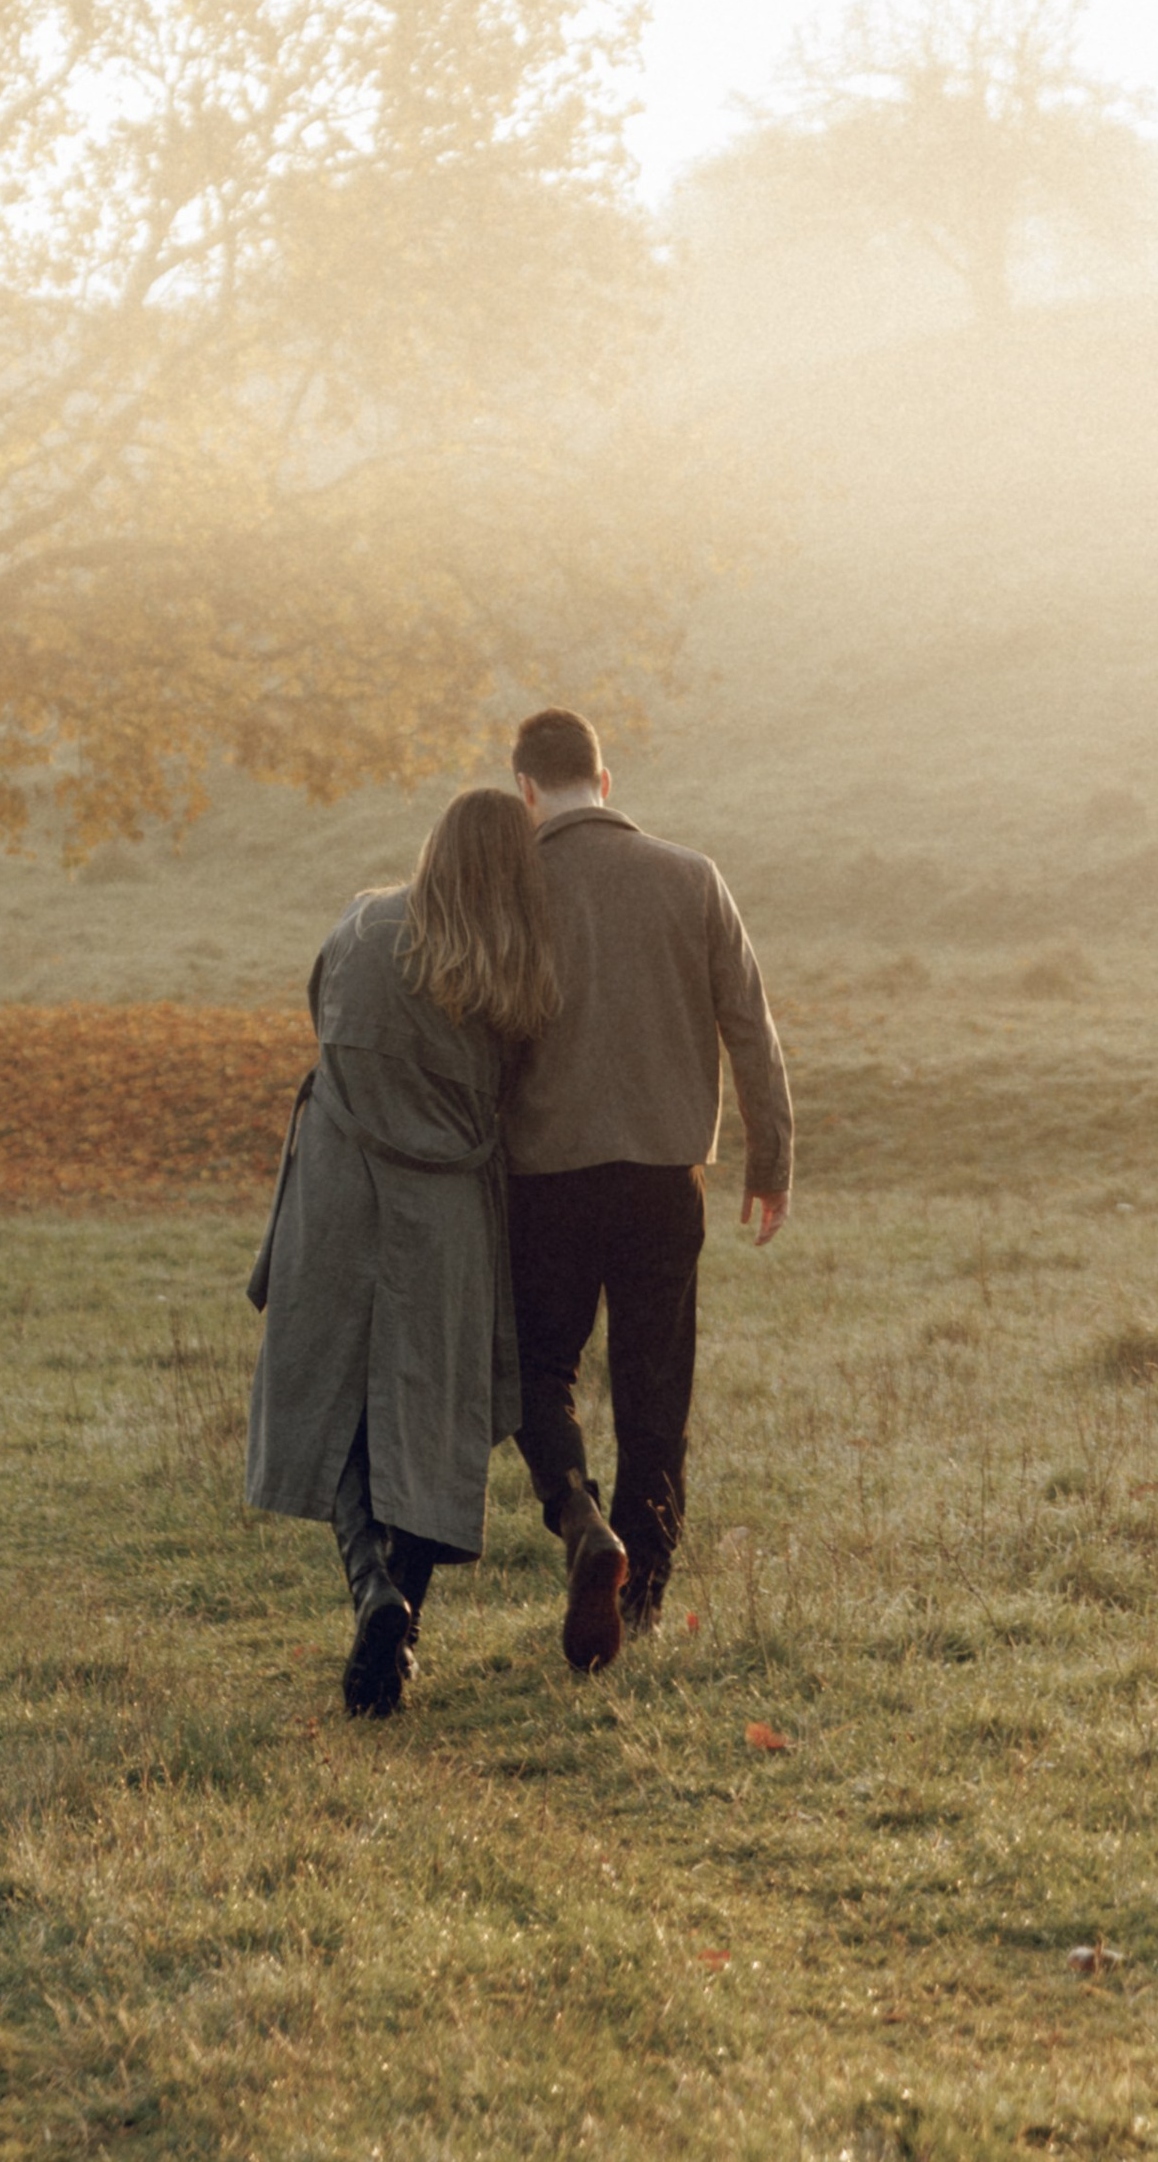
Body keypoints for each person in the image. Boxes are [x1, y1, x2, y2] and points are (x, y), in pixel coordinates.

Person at [245, 787, 560, 1719]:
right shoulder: (521, 971)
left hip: (339, 1188)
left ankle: (373, 1591)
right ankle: (402, 1613)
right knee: (434, 1409)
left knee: (338, 1395)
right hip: (448, 1206)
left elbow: (321, 1022)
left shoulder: (362, 924)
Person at [501, 706, 793, 1670]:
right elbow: (748, 1024)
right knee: (653, 1384)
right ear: (607, 782)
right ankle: (647, 1596)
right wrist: (770, 1159)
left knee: (539, 1372)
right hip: (667, 1177)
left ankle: (581, 1519)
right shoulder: (690, 876)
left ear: (526, 791)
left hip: (545, 1177)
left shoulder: (512, 886)